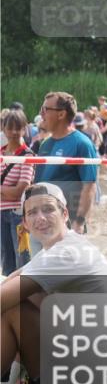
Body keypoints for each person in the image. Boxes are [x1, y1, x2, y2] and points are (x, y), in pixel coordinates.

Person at [0, 183, 107, 384]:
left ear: (64, 214)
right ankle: (11, 381)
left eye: (48, 209)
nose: (41, 218)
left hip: (97, 376)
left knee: (13, 307)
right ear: (25, 223)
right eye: (32, 213)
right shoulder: (62, 247)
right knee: (26, 295)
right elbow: (10, 280)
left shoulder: (65, 254)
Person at [31, 92, 98, 243]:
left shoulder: (82, 144)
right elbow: (38, 184)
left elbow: (90, 186)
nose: (41, 114)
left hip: (67, 224)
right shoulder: (45, 144)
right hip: (41, 222)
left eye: (45, 109)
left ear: (61, 114)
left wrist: (79, 222)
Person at [1, 110, 34, 274]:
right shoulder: (0, 153)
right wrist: (8, 191)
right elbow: (13, 190)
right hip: (1, 213)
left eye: (18, 128)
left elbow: (20, 190)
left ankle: (25, 296)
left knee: (22, 258)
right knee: (5, 259)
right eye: (10, 128)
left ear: (25, 129)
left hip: (19, 215)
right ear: (3, 128)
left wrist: (6, 191)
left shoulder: (28, 155)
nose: (14, 132)